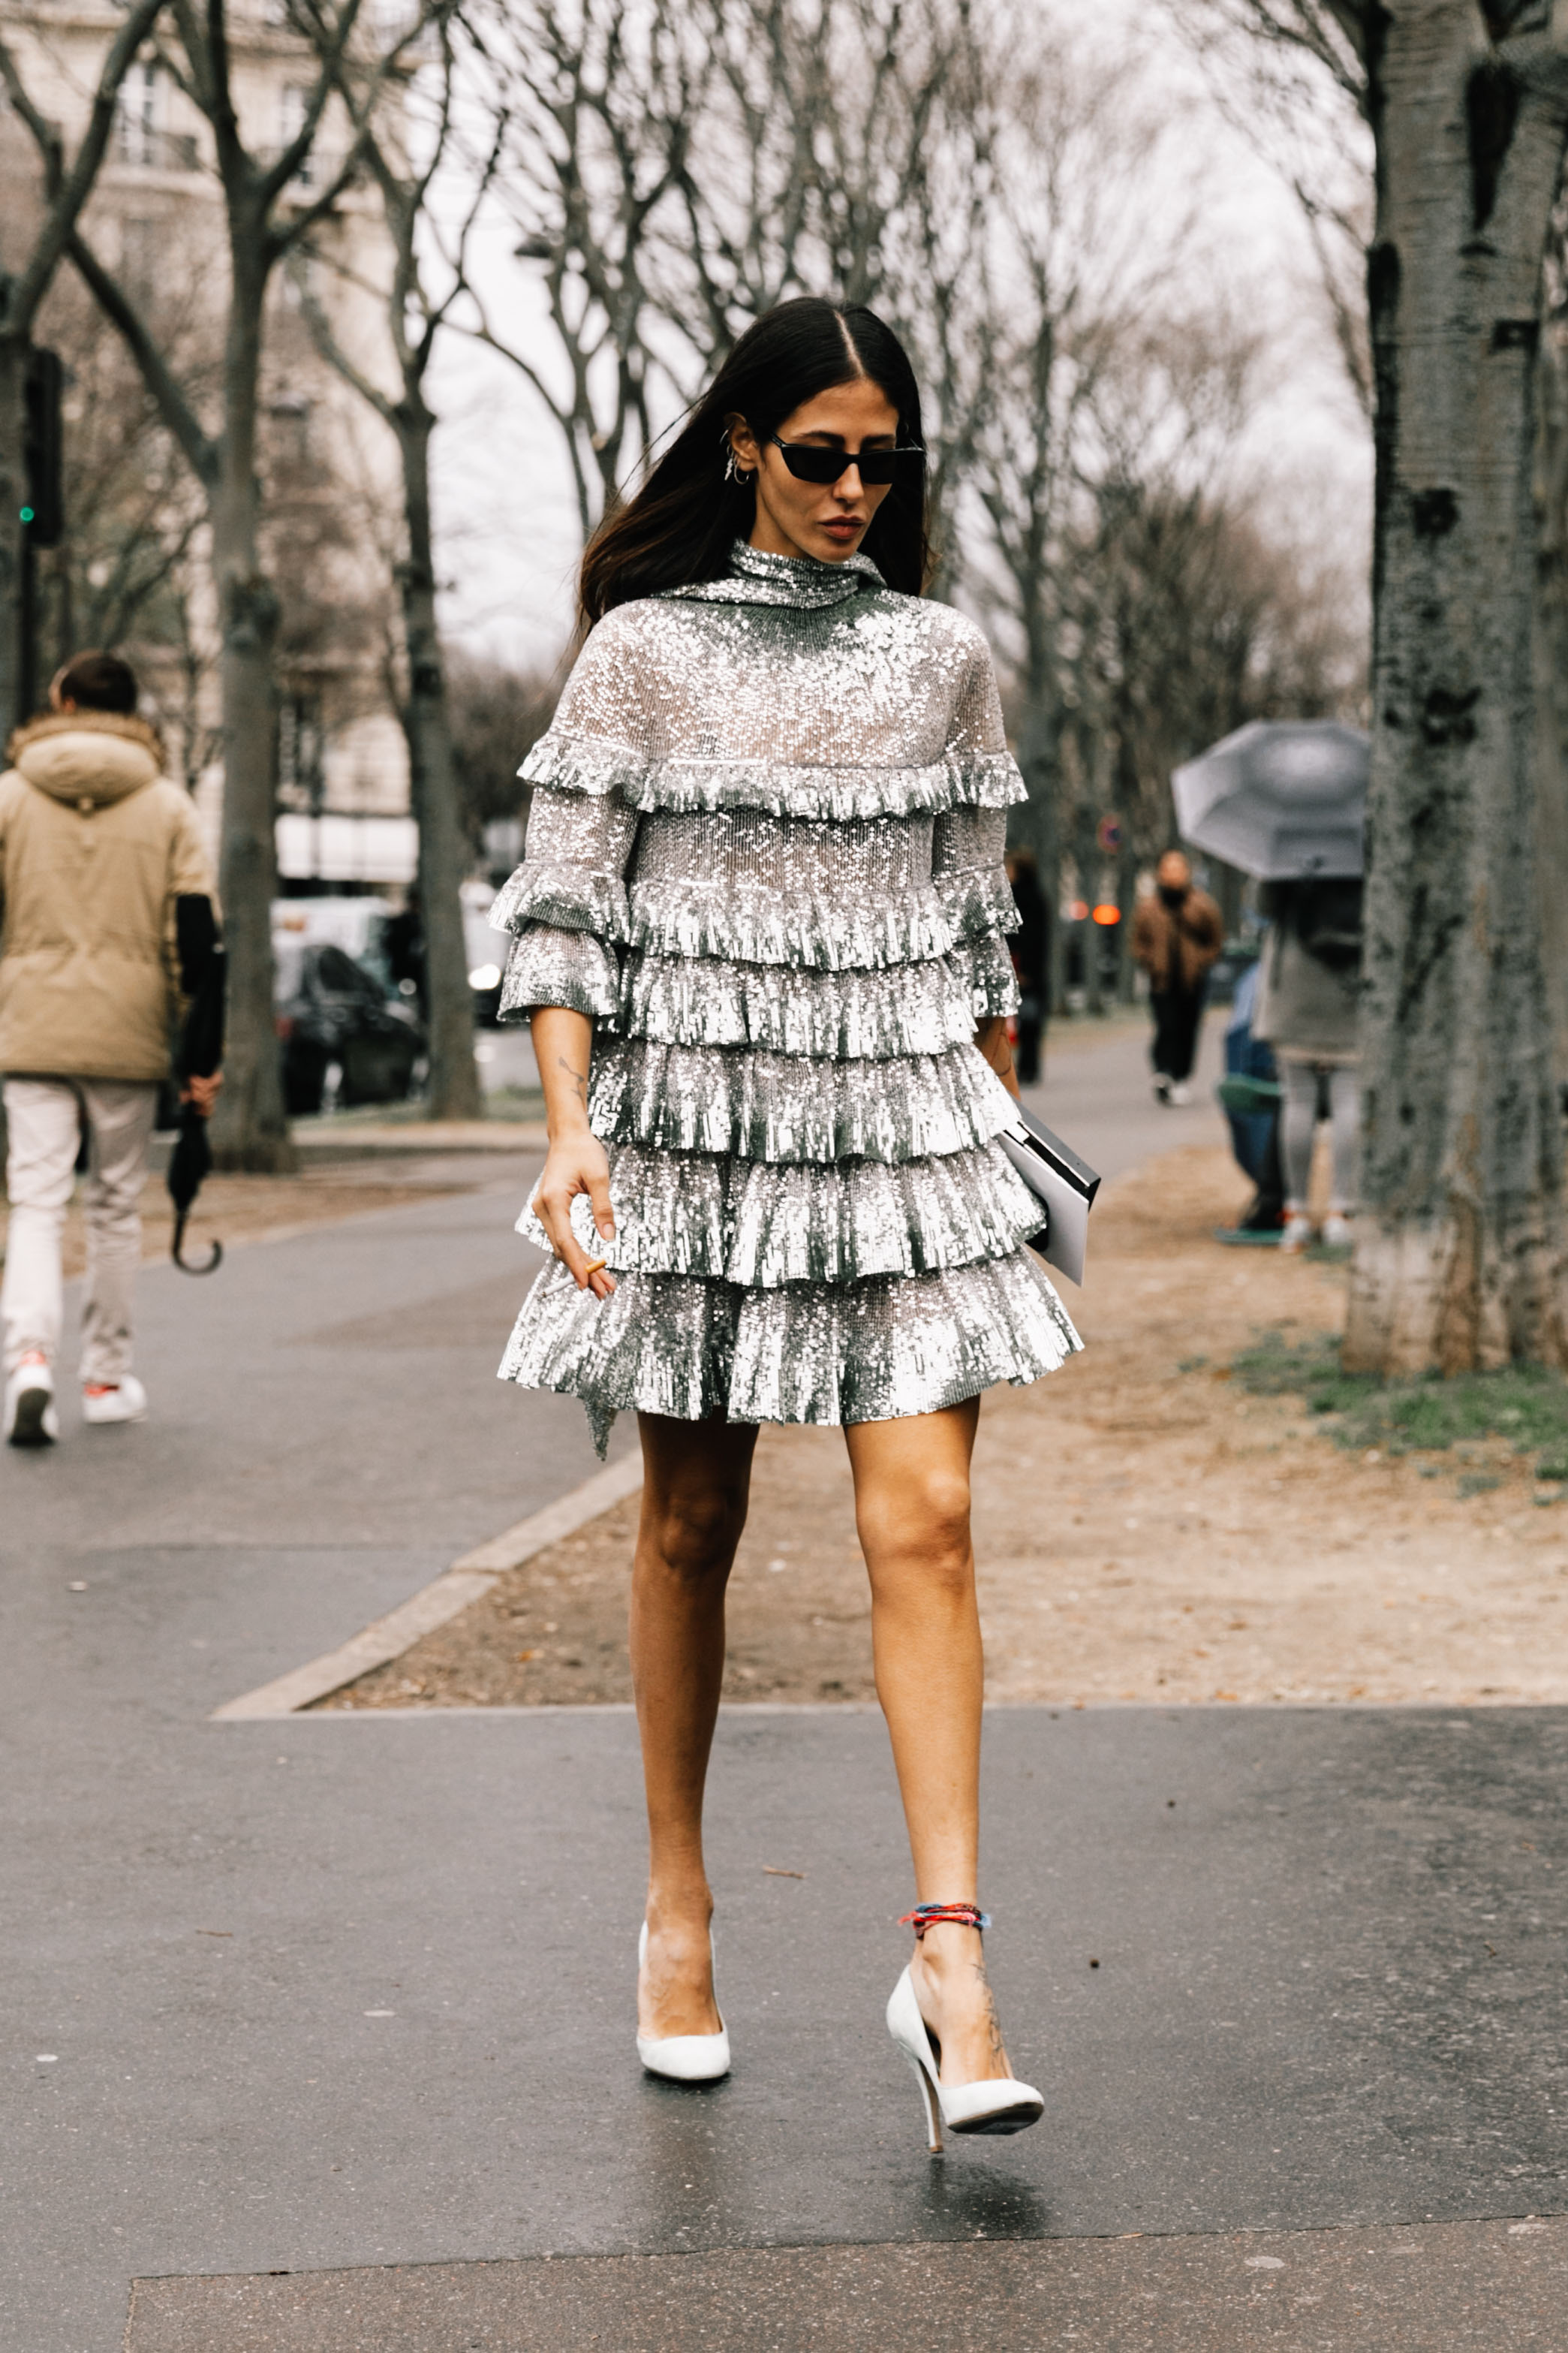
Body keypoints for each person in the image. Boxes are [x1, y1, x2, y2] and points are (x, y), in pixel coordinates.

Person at [492, 297, 1082, 2147]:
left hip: (908, 1125)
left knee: (933, 1519)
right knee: (691, 1517)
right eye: (818, 452)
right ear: (740, 442)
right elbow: (566, 912)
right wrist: (572, 1130)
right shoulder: (642, 654)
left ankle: (951, 1962)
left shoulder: (943, 656)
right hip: (698, 1122)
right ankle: (677, 1906)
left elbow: (981, 926)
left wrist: (991, 1115)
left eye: (881, 459)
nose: (851, 488)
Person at [0, 652, 221, 1446]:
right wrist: (200, 1054)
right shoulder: (168, 806)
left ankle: (27, 1359)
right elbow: (198, 939)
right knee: (115, 1204)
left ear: (60, 702)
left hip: (28, 1024)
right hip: (129, 1032)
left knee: (33, 1200)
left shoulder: (11, 798)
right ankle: (103, 1376)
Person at [1252, 877, 1362, 1251]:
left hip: (1295, 987)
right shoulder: (1364, 842)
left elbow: (1263, 905)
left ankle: (1296, 1214)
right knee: (1349, 1102)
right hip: (1353, 986)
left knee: (1297, 1102)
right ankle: (1340, 1213)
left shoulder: (1285, 846)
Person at [1132, 849, 1223, 1104]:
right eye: (1168, 868)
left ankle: (1181, 1075)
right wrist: (1149, 961)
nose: (1173, 874)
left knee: (1187, 1029)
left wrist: (1202, 961)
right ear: (1161, 873)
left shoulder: (1201, 905)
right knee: (1165, 1026)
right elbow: (1138, 940)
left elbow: (1215, 940)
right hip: (1161, 979)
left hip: (1192, 980)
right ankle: (1164, 1072)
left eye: (1178, 868)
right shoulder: (1149, 907)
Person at [1004, 848, 1049, 1085]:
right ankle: (1030, 1067)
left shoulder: (1017, 898)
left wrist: (1024, 969)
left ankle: (1026, 1067)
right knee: (1031, 1022)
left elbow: (1025, 938)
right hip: (1032, 968)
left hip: (1022, 966)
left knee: (1025, 1019)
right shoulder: (1038, 897)